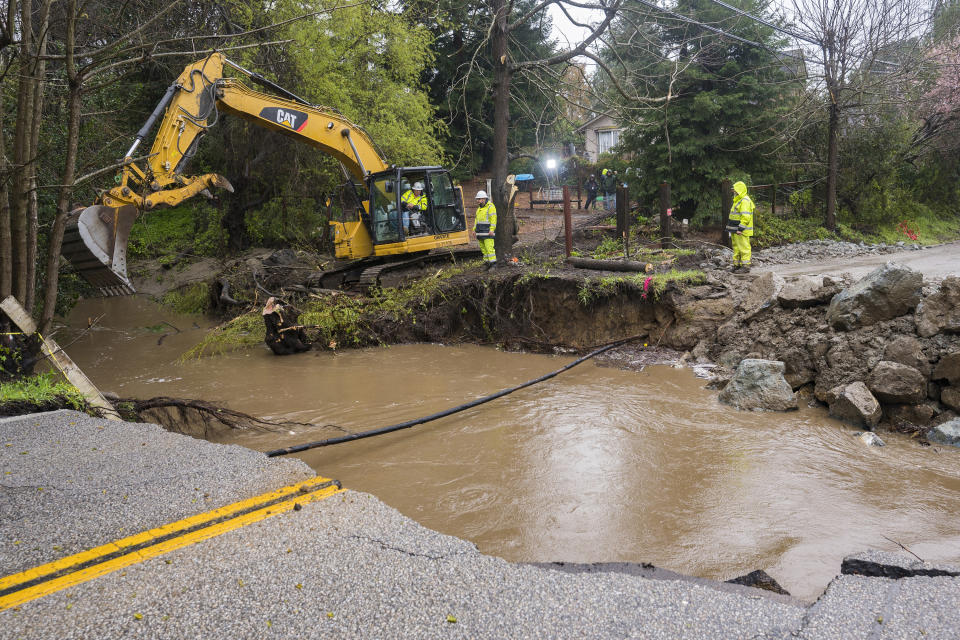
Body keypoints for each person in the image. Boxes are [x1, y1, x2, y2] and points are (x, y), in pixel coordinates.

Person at [726, 180, 755, 272]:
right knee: (736, 247)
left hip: (741, 230)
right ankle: (737, 265)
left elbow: (746, 216)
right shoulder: (738, 200)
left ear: (740, 190)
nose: (734, 191)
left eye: (735, 190)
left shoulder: (745, 201)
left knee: (744, 247)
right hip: (735, 229)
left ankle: (746, 266)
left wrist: (740, 228)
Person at [474, 190, 497, 269]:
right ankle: (487, 263)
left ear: (484, 199)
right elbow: (476, 221)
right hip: (480, 233)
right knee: (484, 250)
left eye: (479, 199)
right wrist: (474, 230)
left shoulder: (490, 207)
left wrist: (492, 229)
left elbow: (493, 219)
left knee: (489, 249)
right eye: (477, 199)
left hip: (488, 232)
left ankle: (493, 264)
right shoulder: (478, 209)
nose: (478, 201)